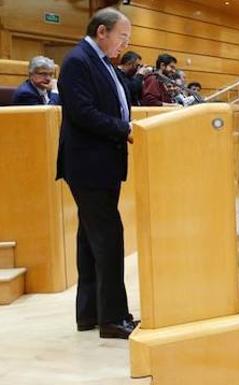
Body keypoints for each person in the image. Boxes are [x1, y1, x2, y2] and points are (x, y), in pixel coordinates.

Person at [55, 7, 136, 339]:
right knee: (108, 239)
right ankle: (113, 319)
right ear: (102, 31)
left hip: (101, 163)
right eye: (123, 36)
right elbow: (83, 112)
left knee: (90, 240)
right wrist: (124, 128)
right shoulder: (78, 61)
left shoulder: (101, 62)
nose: (124, 43)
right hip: (89, 165)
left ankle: (88, 314)